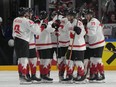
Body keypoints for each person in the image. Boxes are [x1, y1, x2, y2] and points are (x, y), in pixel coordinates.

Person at [12, 7, 43, 84]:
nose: (31, 14)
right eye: (29, 13)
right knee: (24, 59)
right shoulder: (28, 21)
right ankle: (24, 76)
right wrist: (37, 23)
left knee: (22, 59)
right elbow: (37, 32)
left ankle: (24, 75)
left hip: (17, 40)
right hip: (24, 41)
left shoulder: (15, 19)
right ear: (26, 13)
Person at [62, 10, 86, 83]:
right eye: (68, 15)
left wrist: (78, 31)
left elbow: (83, 32)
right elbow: (64, 32)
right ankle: (69, 75)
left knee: (79, 62)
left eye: (70, 15)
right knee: (69, 61)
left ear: (73, 16)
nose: (68, 17)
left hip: (79, 46)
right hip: (71, 45)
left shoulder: (79, 23)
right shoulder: (68, 24)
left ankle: (81, 75)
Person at [85, 9, 105, 82]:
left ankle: (102, 75)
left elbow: (92, 33)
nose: (87, 16)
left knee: (97, 60)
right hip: (93, 44)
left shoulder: (93, 21)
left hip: (98, 43)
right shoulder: (90, 22)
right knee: (93, 60)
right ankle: (95, 75)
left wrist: (84, 30)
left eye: (88, 14)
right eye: (86, 14)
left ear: (91, 15)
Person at [36, 11, 55, 82]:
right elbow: (51, 30)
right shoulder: (45, 22)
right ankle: (45, 75)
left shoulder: (37, 22)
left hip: (39, 44)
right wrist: (53, 26)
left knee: (42, 61)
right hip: (45, 44)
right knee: (46, 60)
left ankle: (42, 74)